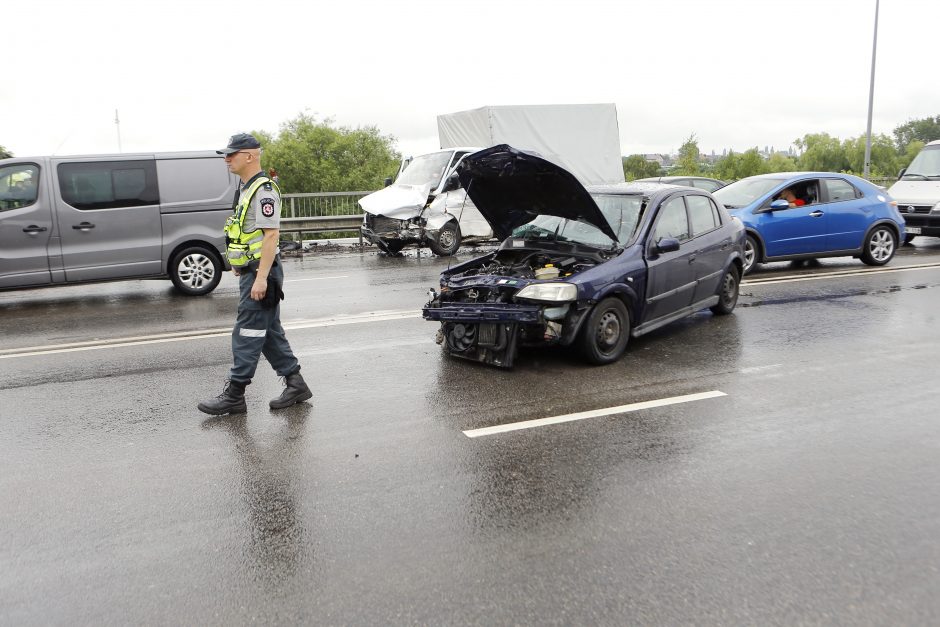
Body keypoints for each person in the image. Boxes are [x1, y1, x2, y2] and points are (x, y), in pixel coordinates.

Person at [197, 133, 312, 415]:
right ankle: (296, 384)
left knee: (247, 331)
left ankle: (235, 394)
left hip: (264, 273)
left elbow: (271, 236)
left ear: (250, 156)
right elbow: (245, 233)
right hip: (253, 270)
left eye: (231, 154)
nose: (226, 159)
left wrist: (260, 277)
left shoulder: (264, 190)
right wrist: (240, 263)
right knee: (269, 332)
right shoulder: (246, 189)